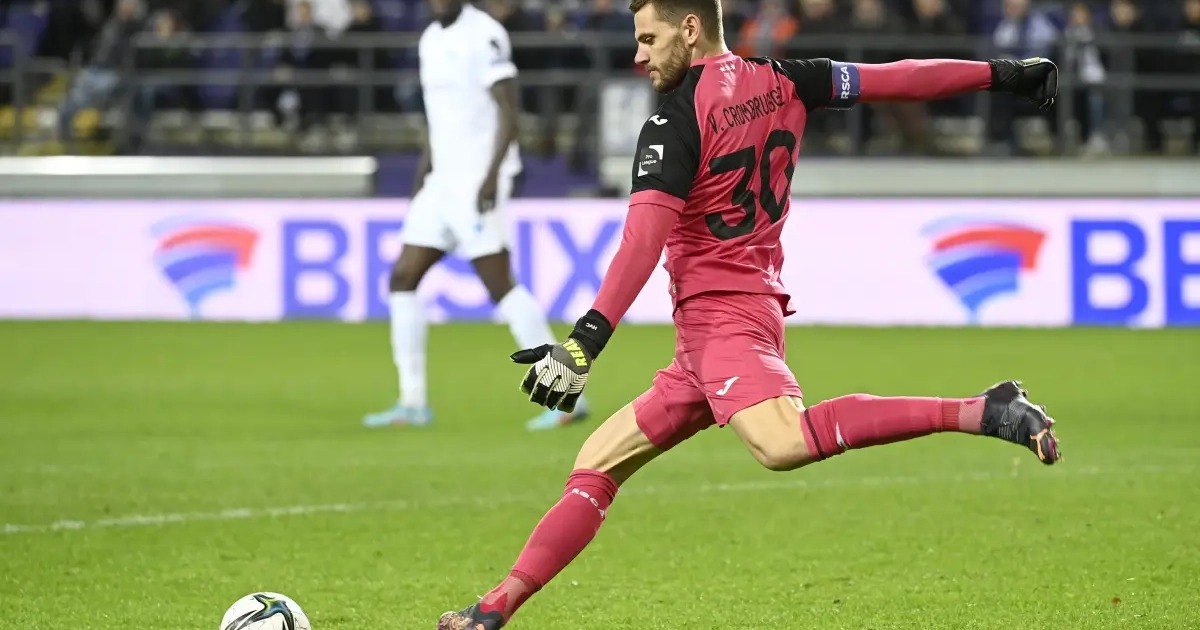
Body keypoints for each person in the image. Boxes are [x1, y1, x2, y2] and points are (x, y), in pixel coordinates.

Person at [436, 0, 1062, 627]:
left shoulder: (674, 122)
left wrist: (583, 343)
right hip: (721, 329)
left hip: (725, 324)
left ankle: (983, 411)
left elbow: (642, 242)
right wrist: (1002, 74)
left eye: (649, 39)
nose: (639, 55)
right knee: (595, 463)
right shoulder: (788, 78)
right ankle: (495, 607)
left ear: (690, 29)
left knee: (781, 443)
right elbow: (900, 77)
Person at [363, 0, 589, 432]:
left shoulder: (484, 34)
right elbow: (439, 122)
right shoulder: (430, 40)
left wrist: (491, 176)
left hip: (476, 178)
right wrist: (423, 178)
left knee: (499, 283)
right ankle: (412, 403)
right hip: (441, 182)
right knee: (403, 277)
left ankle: (565, 396)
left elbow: (509, 112)